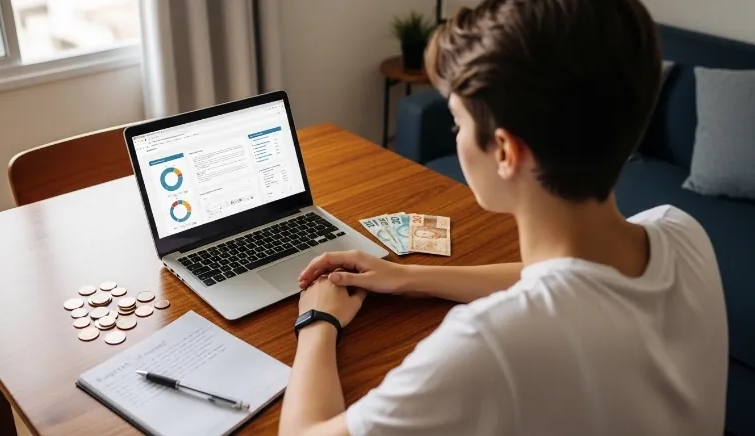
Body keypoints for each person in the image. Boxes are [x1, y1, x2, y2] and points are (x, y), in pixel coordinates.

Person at [278, 0, 728, 435]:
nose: (455, 137)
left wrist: (318, 321)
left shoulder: (491, 343)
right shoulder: (682, 232)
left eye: (457, 123)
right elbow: (561, 279)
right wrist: (406, 276)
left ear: (507, 152)